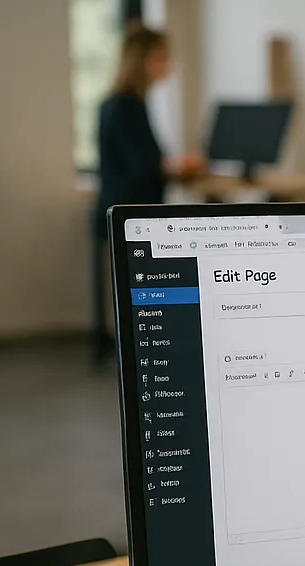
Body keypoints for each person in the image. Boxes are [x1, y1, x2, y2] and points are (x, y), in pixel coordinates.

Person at [90, 22, 204, 362]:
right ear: (143, 60)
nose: (167, 65)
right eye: (162, 57)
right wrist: (176, 166)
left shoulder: (126, 104)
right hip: (123, 218)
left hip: (124, 215)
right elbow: (143, 165)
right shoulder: (123, 106)